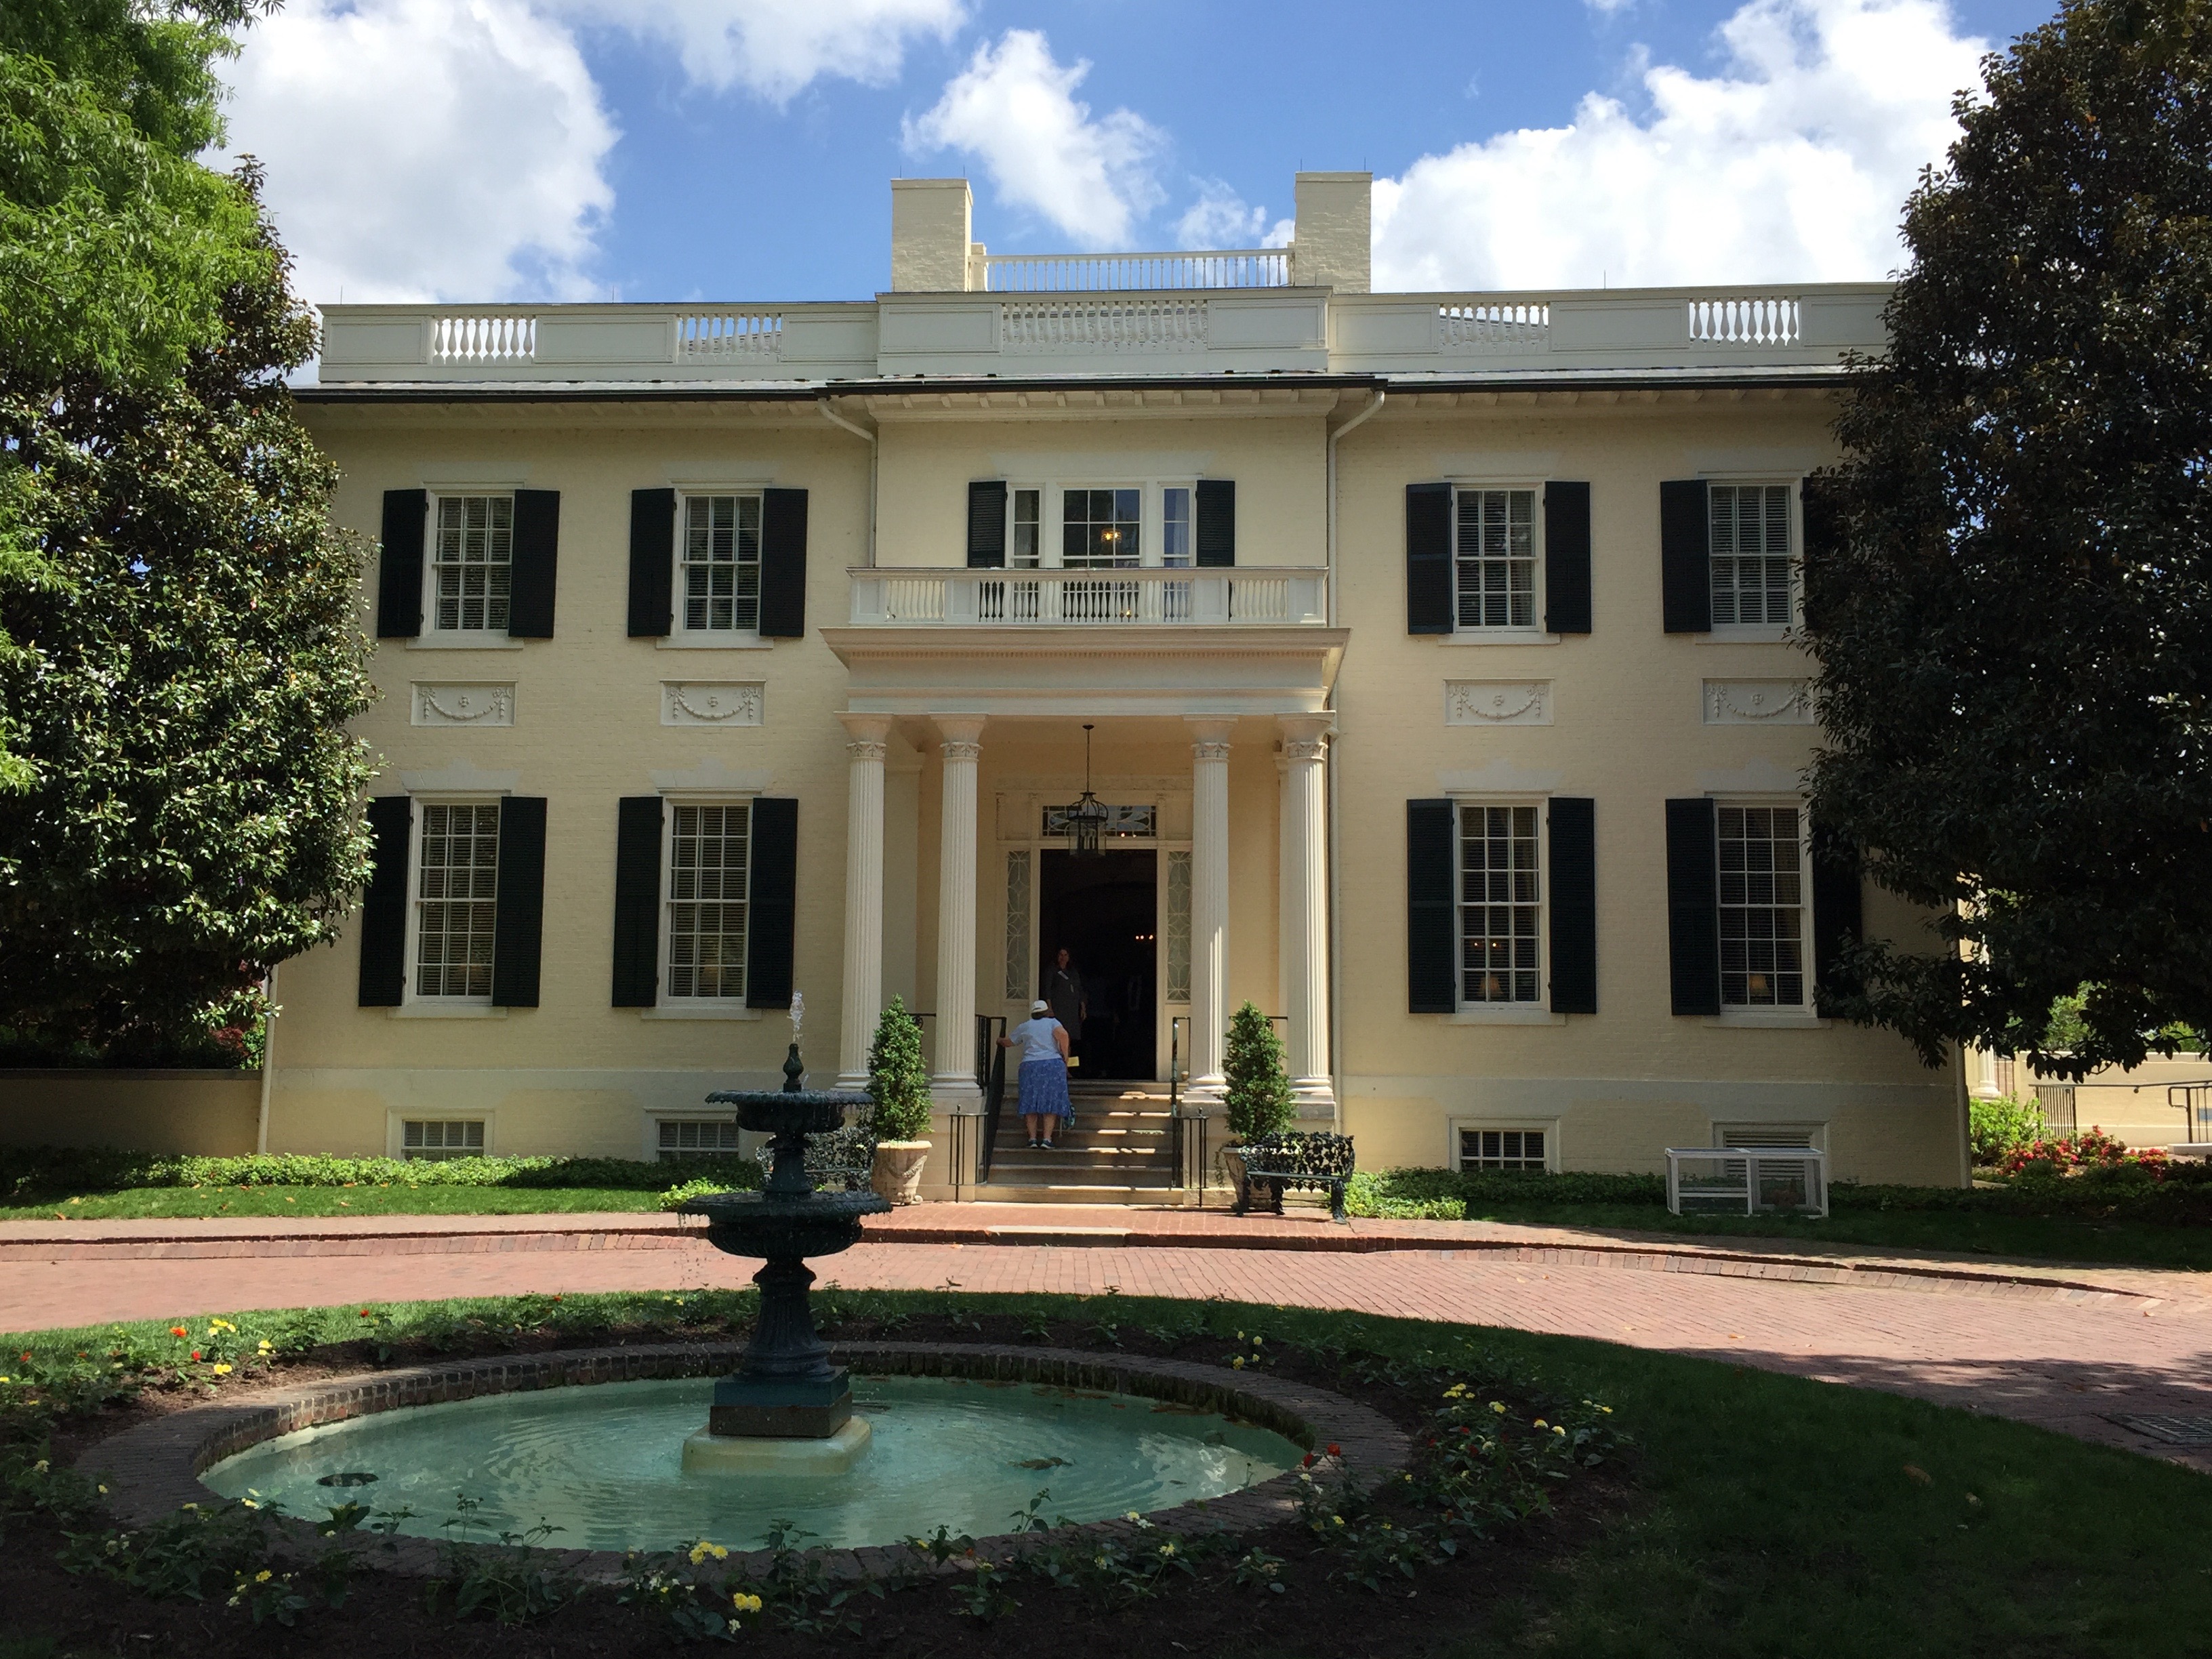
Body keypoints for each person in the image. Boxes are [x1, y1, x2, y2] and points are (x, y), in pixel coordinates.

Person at [1000, 999, 1071, 1149]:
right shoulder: (1053, 1023)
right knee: (1050, 1102)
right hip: (1052, 1065)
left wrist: (999, 1040)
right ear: (1046, 1012)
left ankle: (1032, 1139)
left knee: (1030, 1102)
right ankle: (1047, 1139)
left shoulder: (1025, 1026)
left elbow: (1009, 1042)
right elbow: (1063, 1035)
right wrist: (1065, 1057)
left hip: (1030, 1066)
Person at [1042, 947, 1085, 1068]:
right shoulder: (1052, 970)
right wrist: (1049, 1008)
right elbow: (1047, 990)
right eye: (1061, 955)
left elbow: (1079, 990)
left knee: (1068, 1040)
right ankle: (1056, 1068)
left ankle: (1066, 1068)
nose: (1063, 958)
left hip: (1071, 1010)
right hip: (1058, 1009)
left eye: (1066, 955)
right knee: (1057, 1040)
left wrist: (1083, 1007)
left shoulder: (1073, 972)